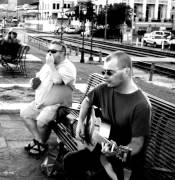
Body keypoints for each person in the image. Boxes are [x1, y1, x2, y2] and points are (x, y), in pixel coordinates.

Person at [63, 51, 151, 180]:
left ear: (126, 72)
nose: (104, 76)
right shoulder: (104, 89)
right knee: (70, 160)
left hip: (124, 163)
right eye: (103, 72)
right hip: (103, 149)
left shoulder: (141, 105)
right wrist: (81, 122)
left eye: (109, 72)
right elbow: (87, 102)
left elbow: (137, 144)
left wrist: (116, 152)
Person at [21, 40, 77, 157]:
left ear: (63, 53)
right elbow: (38, 77)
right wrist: (33, 82)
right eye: (49, 51)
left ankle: (42, 144)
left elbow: (57, 80)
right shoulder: (48, 65)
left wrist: (51, 65)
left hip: (58, 105)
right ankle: (38, 140)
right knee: (25, 113)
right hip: (41, 103)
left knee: (42, 121)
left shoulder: (68, 67)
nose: (50, 54)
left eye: (53, 51)